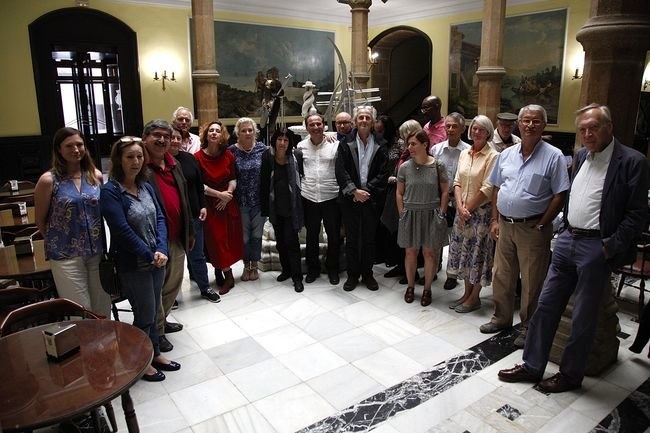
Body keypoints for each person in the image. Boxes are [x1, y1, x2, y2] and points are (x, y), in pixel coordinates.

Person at [498, 103, 649, 393]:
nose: (588, 134)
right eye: (583, 129)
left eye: (593, 128)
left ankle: (569, 375)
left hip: (596, 246)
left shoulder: (632, 161)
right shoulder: (580, 156)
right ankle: (532, 365)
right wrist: (563, 230)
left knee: (583, 316)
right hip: (568, 240)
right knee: (546, 305)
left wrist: (609, 246)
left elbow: (636, 213)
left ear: (609, 128)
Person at [480, 105, 570, 349]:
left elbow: (560, 194)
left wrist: (543, 223)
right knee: (502, 274)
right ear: (519, 124)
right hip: (505, 225)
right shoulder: (506, 155)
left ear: (544, 124)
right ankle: (501, 317)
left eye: (536, 121)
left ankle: (529, 325)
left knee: (532, 281)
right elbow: (497, 187)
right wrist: (495, 219)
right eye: (526, 121)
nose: (530, 125)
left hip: (533, 228)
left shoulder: (554, 156)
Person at [100, 136, 180, 382]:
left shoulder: (145, 185)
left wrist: (161, 249)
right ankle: (140, 361)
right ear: (118, 160)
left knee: (153, 308)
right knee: (144, 315)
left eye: (139, 156)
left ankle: (154, 353)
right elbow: (122, 230)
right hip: (134, 264)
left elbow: (160, 219)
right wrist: (149, 254)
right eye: (129, 157)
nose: (136, 161)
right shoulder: (111, 192)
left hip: (157, 259)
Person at [34, 127, 111, 318]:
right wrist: (59, 241)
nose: (76, 149)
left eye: (79, 144)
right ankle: (85, 347)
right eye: (69, 146)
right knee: (80, 309)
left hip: (96, 253)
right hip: (66, 256)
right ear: (59, 149)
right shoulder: (48, 181)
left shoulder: (95, 176)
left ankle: (104, 346)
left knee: (102, 306)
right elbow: (40, 220)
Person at [143, 119, 194, 353]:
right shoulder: (139, 167)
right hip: (154, 241)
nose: (162, 140)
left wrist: (189, 231)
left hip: (177, 236)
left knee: (172, 285)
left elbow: (184, 200)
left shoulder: (174, 164)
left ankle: (161, 323)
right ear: (145, 139)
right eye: (156, 135)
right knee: (155, 287)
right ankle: (157, 331)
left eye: (166, 135)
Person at [446, 115, 498, 313]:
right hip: (463, 212)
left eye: (481, 129)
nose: (477, 132)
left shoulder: (493, 156)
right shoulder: (465, 153)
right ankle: (466, 293)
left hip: (481, 214)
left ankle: (475, 297)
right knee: (463, 255)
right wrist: (460, 207)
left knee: (478, 256)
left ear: (488, 133)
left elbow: (488, 188)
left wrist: (469, 208)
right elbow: (457, 181)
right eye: (474, 128)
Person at [336, 106, 390, 291]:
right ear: (355, 121)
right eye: (360, 117)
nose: (364, 120)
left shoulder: (382, 144)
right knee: (351, 239)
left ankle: (367, 274)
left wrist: (365, 191)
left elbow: (384, 173)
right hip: (350, 199)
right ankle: (352, 275)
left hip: (371, 200)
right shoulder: (346, 143)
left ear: (373, 121)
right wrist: (354, 191)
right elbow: (340, 170)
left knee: (369, 239)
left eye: (367, 117)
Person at [396, 130, 449, 306]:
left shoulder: (437, 166)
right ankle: (410, 286)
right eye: (408, 144)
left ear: (425, 144)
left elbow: (444, 190)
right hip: (410, 213)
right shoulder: (404, 167)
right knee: (410, 251)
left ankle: (427, 289)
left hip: (431, 213)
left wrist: (442, 212)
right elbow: (399, 192)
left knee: (429, 252)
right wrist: (402, 212)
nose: (409, 147)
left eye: (413, 144)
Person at [169, 127, 220, 303]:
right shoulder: (159, 163)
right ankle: (171, 296)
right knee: (173, 259)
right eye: (171, 138)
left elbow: (199, 185)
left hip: (193, 215)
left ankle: (205, 287)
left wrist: (203, 206)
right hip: (172, 219)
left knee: (197, 255)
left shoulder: (189, 159)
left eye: (178, 138)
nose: (175, 141)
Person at [194, 121, 243, 295]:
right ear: (206, 135)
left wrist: (228, 195)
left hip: (227, 204)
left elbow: (233, 178)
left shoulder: (228, 155)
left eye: (217, 131)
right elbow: (199, 185)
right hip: (211, 205)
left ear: (222, 135)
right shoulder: (197, 157)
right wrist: (219, 195)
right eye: (211, 131)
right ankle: (228, 277)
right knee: (216, 241)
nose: (214, 133)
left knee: (228, 241)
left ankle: (221, 271)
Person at [295, 113, 342, 285]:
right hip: (309, 197)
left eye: (318, 124)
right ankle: (312, 269)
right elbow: (298, 171)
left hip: (331, 196)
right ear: (307, 127)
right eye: (312, 124)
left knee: (334, 236)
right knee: (311, 236)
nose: (315, 127)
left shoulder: (335, 145)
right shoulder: (300, 146)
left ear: (324, 125)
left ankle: (333, 269)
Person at [429, 112, 471, 290]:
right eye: (448, 126)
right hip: (439, 200)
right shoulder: (436, 150)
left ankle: (452, 275)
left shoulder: (469, 151)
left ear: (462, 129)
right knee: (436, 235)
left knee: (456, 240)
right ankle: (433, 268)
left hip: (461, 202)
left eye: (455, 126)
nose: (451, 129)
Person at [260, 127, 304, 292]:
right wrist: (265, 209)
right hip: (275, 208)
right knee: (280, 243)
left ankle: (297, 277)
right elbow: (264, 182)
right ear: (274, 140)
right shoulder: (267, 157)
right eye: (280, 139)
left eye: (286, 140)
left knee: (292, 242)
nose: (282, 143)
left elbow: (302, 181)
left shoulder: (296, 156)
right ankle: (286, 270)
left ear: (290, 143)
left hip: (292, 208)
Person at [382, 120, 423, 281]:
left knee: (409, 239)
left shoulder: (418, 154)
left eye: (404, 135)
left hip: (410, 201)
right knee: (399, 236)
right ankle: (401, 266)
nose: (402, 138)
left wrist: (396, 179)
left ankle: (411, 272)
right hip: (398, 199)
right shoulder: (405, 152)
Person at [229, 117, 267, 281]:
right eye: (243, 130)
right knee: (244, 236)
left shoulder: (263, 149)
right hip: (240, 201)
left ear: (254, 132)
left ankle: (255, 264)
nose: (247, 133)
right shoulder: (231, 151)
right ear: (238, 133)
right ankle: (246, 265)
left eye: (250, 130)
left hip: (259, 200)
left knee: (257, 235)